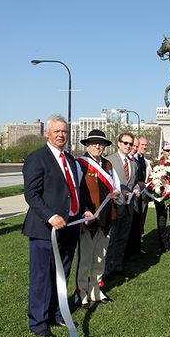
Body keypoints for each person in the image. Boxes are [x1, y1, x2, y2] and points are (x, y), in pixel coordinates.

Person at [22, 114, 83, 337]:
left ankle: (57, 314)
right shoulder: (37, 158)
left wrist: (82, 209)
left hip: (69, 228)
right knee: (42, 276)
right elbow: (31, 194)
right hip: (45, 231)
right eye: (56, 131)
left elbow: (73, 191)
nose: (61, 135)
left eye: (64, 131)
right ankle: (38, 322)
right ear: (47, 133)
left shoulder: (70, 159)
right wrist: (51, 216)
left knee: (62, 274)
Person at [75, 129, 119, 308]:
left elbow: (115, 187)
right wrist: (84, 211)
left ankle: (96, 290)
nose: (97, 146)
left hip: (107, 217)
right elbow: (76, 192)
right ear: (87, 145)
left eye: (100, 143)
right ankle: (81, 292)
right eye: (93, 143)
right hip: (89, 219)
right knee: (85, 258)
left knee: (101, 257)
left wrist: (118, 194)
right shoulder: (80, 164)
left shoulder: (108, 165)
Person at [104, 132, 140, 277]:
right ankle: (106, 269)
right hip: (114, 205)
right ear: (118, 143)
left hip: (129, 205)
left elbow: (134, 182)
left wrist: (137, 189)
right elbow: (107, 184)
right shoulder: (108, 161)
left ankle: (118, 266)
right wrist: (118, 192)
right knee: (111, 238)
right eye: (125, 143)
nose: (128, 146)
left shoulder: (133, 163)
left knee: (123, 237)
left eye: (130, 144)